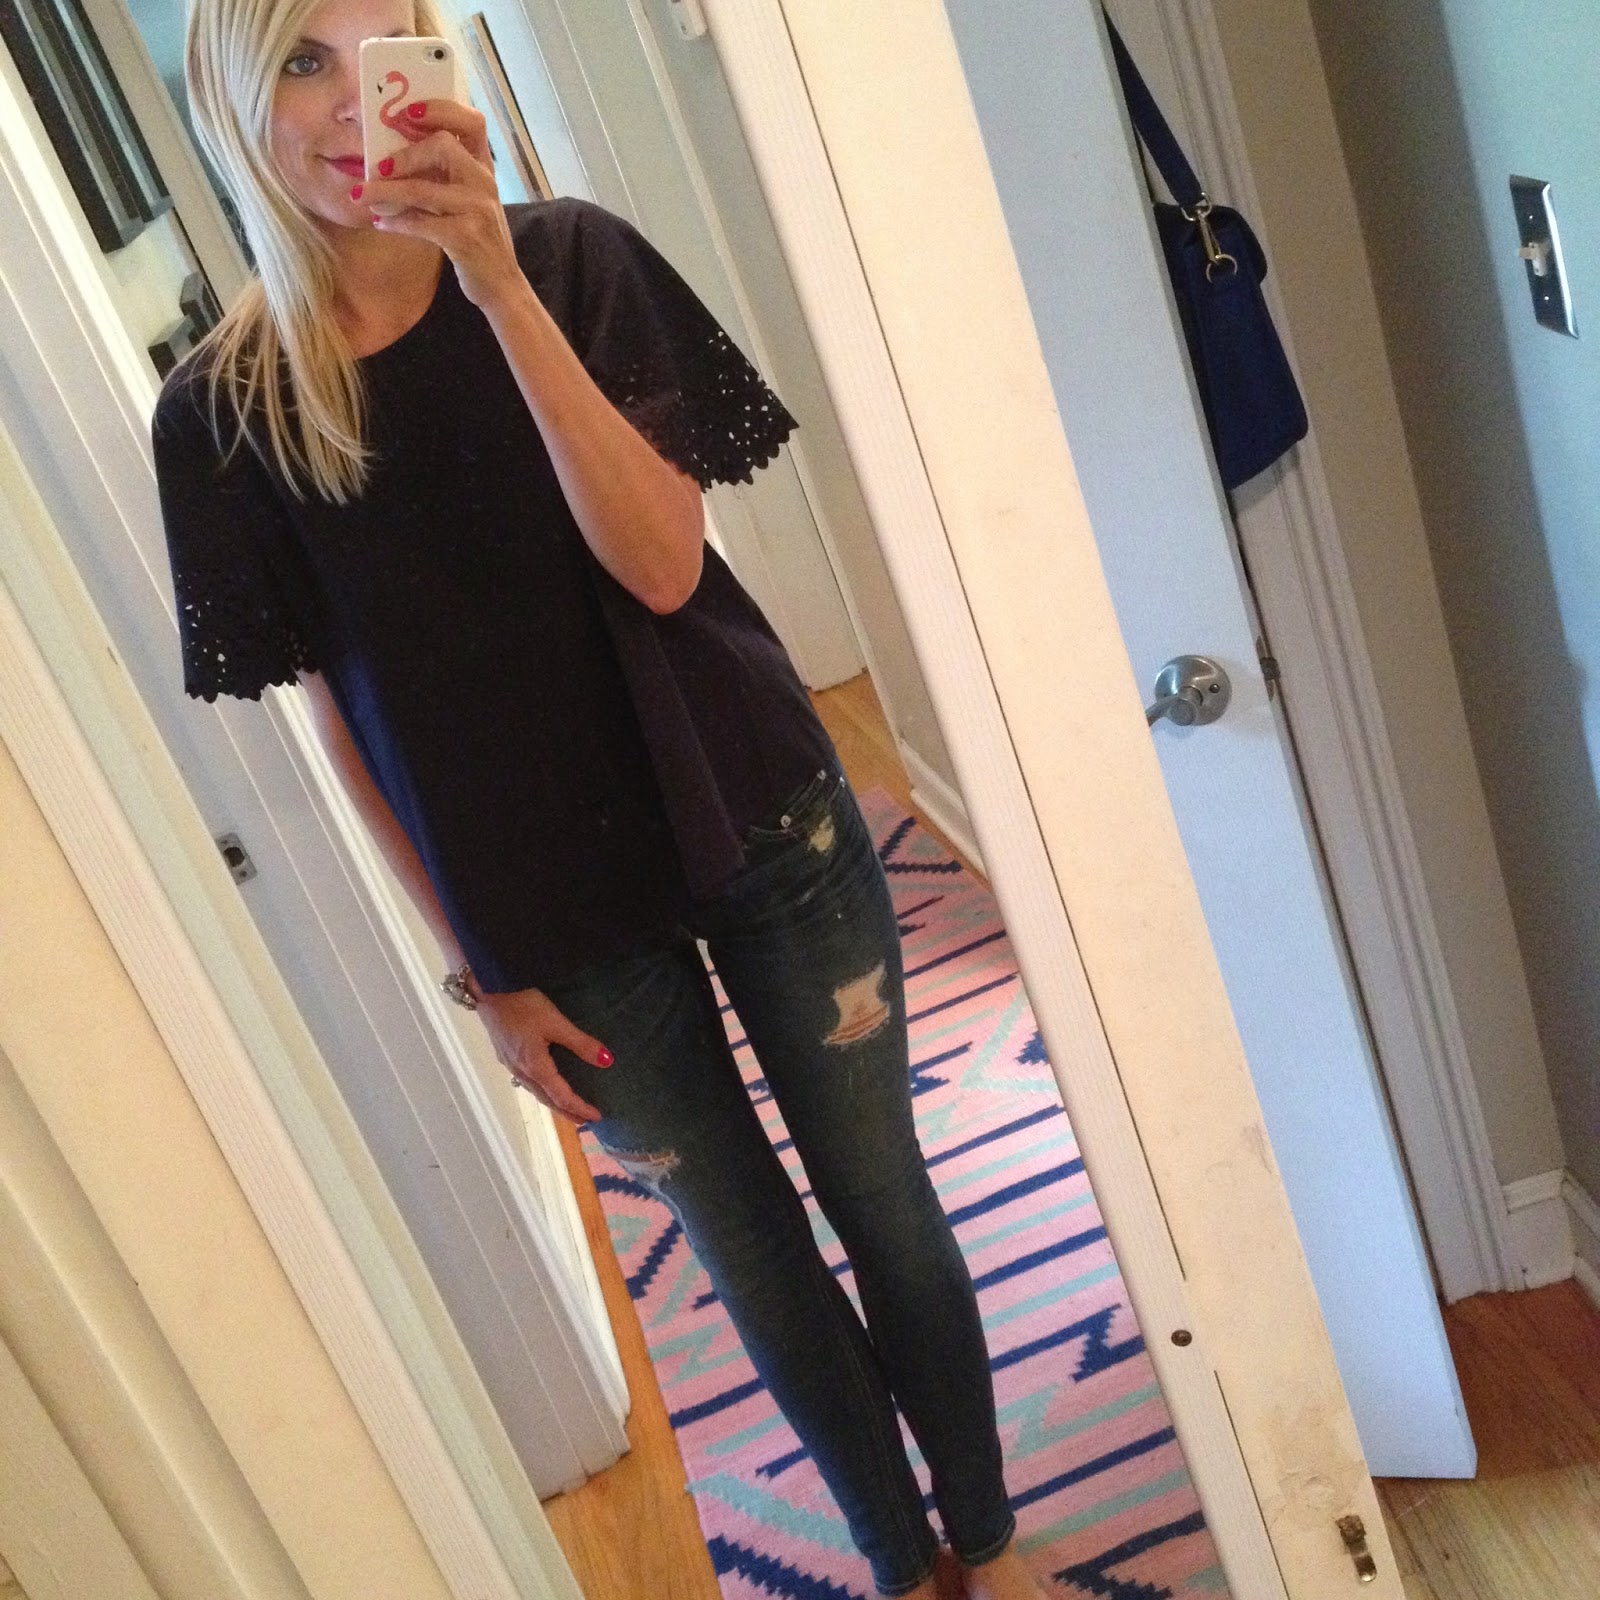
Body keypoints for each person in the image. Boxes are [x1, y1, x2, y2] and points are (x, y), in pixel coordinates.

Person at [153, 2, 1047, 1595]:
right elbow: (348, 726)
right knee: (753, 1258)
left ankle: (991, 1536)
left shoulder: (568, 261)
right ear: (231, 99)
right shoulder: (228, 415)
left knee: (880, 1195)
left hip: (754, 811)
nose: (356, 103)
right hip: (551, 917)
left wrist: (495, 285)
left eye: (387, 47)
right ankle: (906, 1570)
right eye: (302, 61)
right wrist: (481, 974)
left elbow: (663, 563)